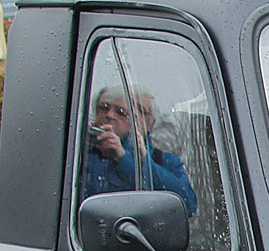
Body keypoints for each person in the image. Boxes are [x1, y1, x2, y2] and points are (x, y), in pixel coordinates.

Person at [82, 85, 198, 214]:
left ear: (150, 124)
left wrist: (125, 160)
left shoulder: (164, 161)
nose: (110, 115)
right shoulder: (81, 150)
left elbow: (186, 205)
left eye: (121, 111)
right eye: (104, 107)